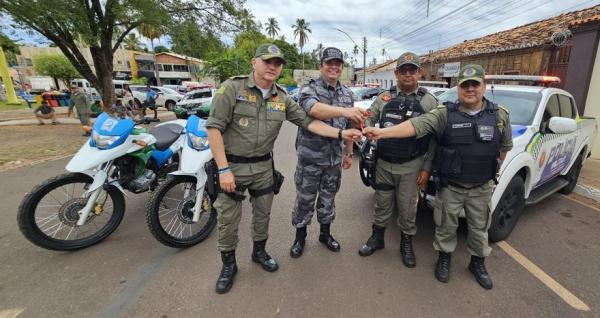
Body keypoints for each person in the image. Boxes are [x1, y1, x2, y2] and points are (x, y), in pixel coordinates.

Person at [206, 44, 362, 294]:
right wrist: (223, 170)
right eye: (267, 61)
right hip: (233, 166)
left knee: (262, 214)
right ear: (254, 62)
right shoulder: (232, 88)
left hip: (264, 166)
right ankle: (228, 266)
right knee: (227, 219)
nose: (272, 66)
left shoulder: (282, 98)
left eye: (277, 63)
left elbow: (310, 123)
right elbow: (213, 128)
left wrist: (342, 133)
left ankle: (259, 253)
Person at [363, 64, 513, 289]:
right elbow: (416, 126)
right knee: (445, 226)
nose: (470, 89)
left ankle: (478, 263)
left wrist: (490, 170)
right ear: (458, 87)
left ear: (484, 86)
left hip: (481, 186)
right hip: (450, 184)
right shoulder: (445, 113)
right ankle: (444, 259)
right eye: (465, 85)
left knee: (479, 228)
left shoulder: (499, 115)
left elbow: (504, 148)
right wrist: (381, 133)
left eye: (475, 84)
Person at [357, 52, 439, 269]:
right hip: (383, 163)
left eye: (412, 70)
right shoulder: (384, 98)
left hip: (411, 166)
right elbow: (369, 118)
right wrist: (363, 126)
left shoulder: (429, 101)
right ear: (396, 73)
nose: (408, 74)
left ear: (419, 72)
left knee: (407, 208)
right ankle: (377, 238)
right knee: (382, 203)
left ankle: (406, 243)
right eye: (403, 70)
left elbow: (434, 140)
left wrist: (427, 168)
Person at [290, 47, 368, 258]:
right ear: (321, 66)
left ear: (341, 67)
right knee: (305, 200)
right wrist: (345, 111)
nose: (333, 67)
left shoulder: (347, 94)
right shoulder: (309, 89)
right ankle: (300, 237)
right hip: (310, 160)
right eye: (329, 63)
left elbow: (351, 125)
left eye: (337, 63)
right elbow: (313, 110)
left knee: (328, 199)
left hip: (333, 160)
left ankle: (325, 234)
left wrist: (348, 153)